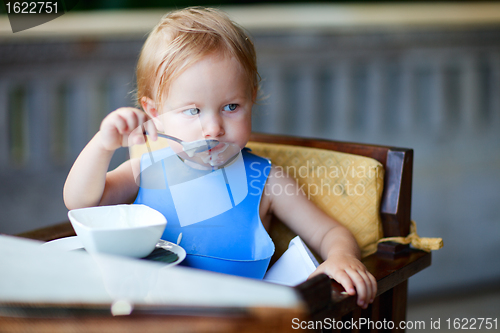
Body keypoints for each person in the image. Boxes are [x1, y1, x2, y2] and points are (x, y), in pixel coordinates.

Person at [63, 7, 377, 309]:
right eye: (192, 110)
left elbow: (329, 233)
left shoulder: (265, 180)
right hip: (151, 313)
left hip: (235, 320)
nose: (213, 128)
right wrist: (102, 146)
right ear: (155, 113)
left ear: (252, 97)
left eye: (231, 107)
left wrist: (341, 258)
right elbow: (82, 203)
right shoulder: (145, 170)